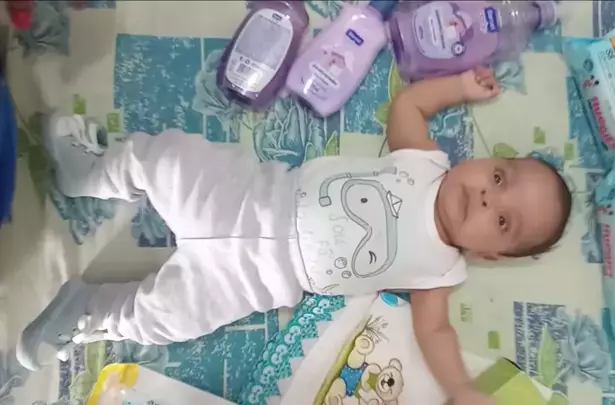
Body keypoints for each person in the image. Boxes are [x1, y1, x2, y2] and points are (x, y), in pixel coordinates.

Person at [17, 67, 571, 405]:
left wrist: (464, 389)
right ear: (488, 163)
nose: (487, 197)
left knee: (167, 319)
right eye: (500, 177)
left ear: (491, 254)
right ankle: (91, 172)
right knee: (166, 160)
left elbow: (436, 334)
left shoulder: (440, 272)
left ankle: (88, 311)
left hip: (252, 280)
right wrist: (461, 86)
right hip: (252, 196)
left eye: (503, 221)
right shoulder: (424, 160)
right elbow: (410, 104)